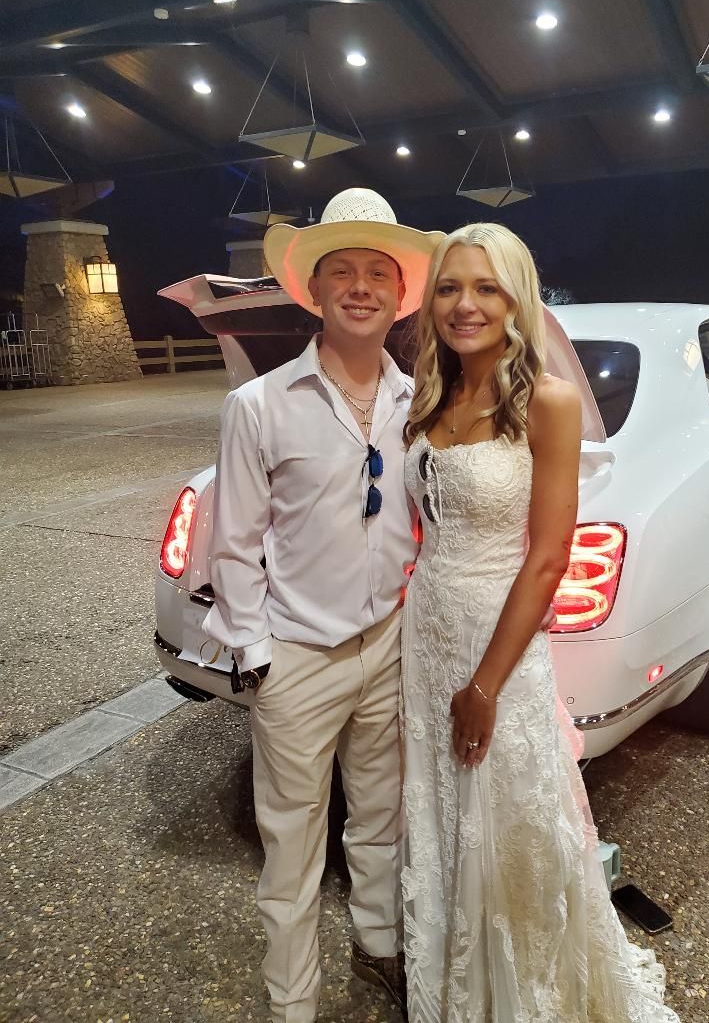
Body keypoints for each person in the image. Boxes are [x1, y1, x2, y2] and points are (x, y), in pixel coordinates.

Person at [401, 223, 681, 1021]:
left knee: (512, 816)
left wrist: (485, 685)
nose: (466, 304)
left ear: (517, 298)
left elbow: (549, 558)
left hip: (502, 644)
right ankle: (461, 977)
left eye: (487, 288)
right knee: (446, 809)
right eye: (451, 286)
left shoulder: (547, 404)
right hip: (429, 632)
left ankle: (523, 991)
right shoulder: (432, 393)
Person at [201, 188, 445, 1022]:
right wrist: (254, 653)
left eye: (379, 271)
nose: (361, 286)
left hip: (389, 644)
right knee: (292, 844)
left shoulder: (420, 404)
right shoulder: (259, 405)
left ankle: (379, 948)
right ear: (313, 289)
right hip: (298, 656)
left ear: (399, 292)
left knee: (380, 819)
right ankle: (293, 1001)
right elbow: (231, 542)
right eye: (342, 270)